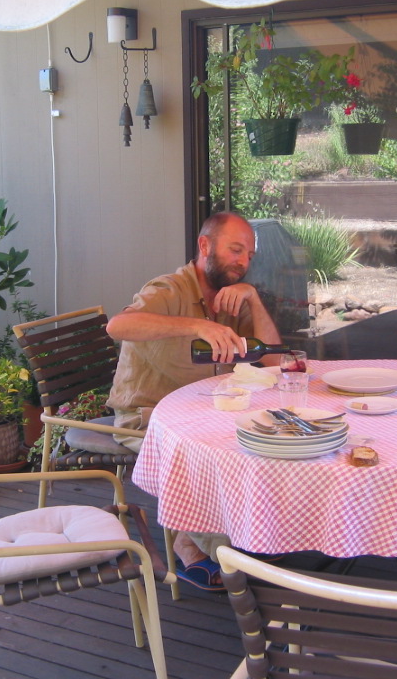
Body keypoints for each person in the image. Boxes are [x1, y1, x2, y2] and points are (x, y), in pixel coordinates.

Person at [106, 211, 283, 592]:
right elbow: (118, 325)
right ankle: (220, 551)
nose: (243, 261)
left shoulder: (232, 295)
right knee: (204, 455)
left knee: (263, 442)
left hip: (209, 410)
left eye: (249, 255)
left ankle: (246, 538)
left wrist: (253, 298)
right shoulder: (169, 290)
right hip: (149, 417)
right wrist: (197, 325)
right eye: (235, 249)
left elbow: (273, 360)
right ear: (205, 245)